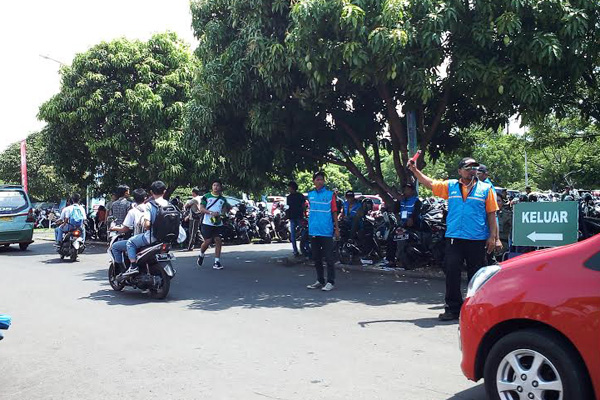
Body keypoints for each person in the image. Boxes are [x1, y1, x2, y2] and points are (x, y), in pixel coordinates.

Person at [408, 157, 501, 321]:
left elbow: (491, 214)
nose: (471, 170)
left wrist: (494, 237)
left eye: (474, 167)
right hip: (454, 238)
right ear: (460, 171)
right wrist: (415, 171)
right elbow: (430, 184)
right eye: (467, 167)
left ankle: (476, 309)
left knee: (477, 275)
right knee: (452, 272)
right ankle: (453, 308)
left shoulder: (486, 189)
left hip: (477, 238)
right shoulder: (450, 186)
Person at [122, 181, 169, 276]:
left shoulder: (150, 205)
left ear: (151, 192)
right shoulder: (169, 204)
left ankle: (133, 266)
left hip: (151, 238)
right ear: (164, 191)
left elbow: (147, 225)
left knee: (130, 242)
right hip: (166, 238)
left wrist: (143, 223)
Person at [306, 171, 340, 291]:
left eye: (321, 179)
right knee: (316, 257)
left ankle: (330, 281)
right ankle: (320, 280)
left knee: (329, 258)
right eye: (317, 179)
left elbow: (334, 212)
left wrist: (337, 228)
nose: (319, 181)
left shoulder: (330, 195)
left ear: (324, 181)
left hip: (326, 230)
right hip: (314, 231)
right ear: (313, 181)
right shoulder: (310, 195)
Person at [109, 188, 147, 269]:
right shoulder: (151, 208)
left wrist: (113, 227)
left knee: (116, 246)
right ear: (145, 198)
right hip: (151, 237)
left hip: (128, 231)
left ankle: (122, 269)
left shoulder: (114, 204)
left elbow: (124, 227)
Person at [196, 180, 230, 270]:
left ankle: (217, 262)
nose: (215, 187)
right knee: (208, 241)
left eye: (217, 185)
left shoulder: (223, 199)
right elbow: (201, 208)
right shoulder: (206, 197)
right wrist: (210, 212)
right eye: (214, 185)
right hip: (207, 223)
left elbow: (224, 209)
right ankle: (201, 254)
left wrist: (222, 214)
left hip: (218, 223)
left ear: (220, 187)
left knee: (218, 240)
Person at [394, 183, 422, 268]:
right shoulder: (402, 200)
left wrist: (411, 218)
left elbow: (416, 212)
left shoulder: (416, 201)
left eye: (408, 189)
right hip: (402, 224)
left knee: (402, 239)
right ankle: (392, 259)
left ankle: (402, 259)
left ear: (412, 191)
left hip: (413, 225)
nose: (405, 191)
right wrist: (398, 200)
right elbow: (395, 209)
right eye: (405, 189)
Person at [286, 181, 306, 257]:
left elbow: (303, 206)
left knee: (300, 233)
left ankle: (299, 249)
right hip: (294, 217)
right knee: (295, 234)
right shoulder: (292, 196)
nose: (288, 189)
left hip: (298, 217)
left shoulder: (298, 196)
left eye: (289, 187)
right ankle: (296, 250)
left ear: (292, 188)